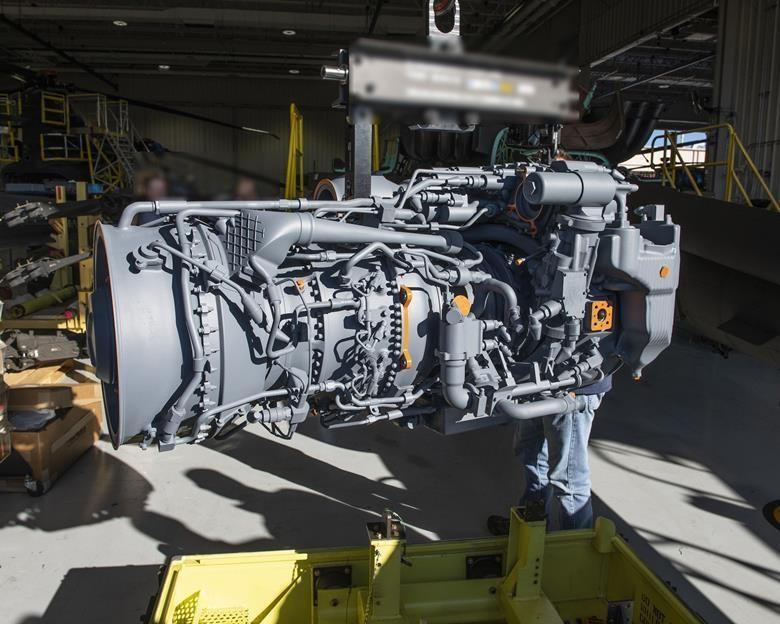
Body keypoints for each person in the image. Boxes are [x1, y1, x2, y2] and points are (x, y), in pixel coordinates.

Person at [488, 374, 611, 534]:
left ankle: (575, 547)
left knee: (569, 478)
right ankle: (530, 530)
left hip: (574, 388)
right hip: (536, 383)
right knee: (532, 457)